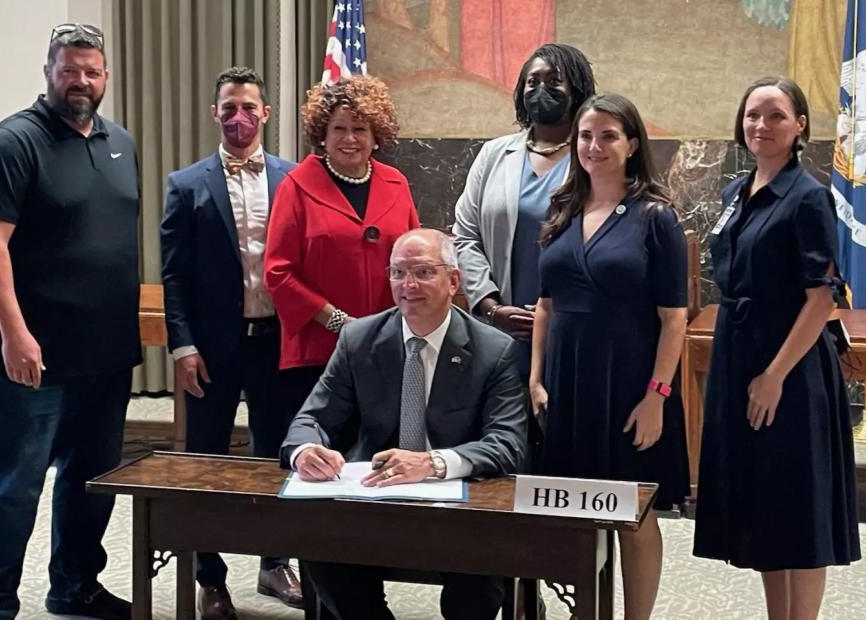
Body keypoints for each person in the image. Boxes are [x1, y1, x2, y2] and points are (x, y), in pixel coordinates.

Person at [0, 24, 137, 620]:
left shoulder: (120, 142)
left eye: (92, 71)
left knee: (91, 484)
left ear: (106, 76)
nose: (81, 82)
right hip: (33, 358)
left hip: (106, 356)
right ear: (49, 72)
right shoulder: (11, 144)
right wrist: (14, 334)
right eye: (70, 70)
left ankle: (75, 586)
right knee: (15, 486)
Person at [279, 228, 527, 620]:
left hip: (459, 508)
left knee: (478, 583)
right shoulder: (359, 338)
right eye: (397, 273)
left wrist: (433, 463)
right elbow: (312, 418)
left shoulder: (495, 351)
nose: (408, 285)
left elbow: (507, 442)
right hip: (373, 501)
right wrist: (307, 450)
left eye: (424, 272)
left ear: (454, 281)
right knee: (322, 551)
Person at [693, 77, 860, 620]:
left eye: (776, 116)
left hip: (789, 366)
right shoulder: (735, 191)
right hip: (738, 353)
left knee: (799, 507)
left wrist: (774, 376)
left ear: (800, 126)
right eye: (752, 115)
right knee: (764, 506)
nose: (761, 126)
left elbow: (821, 299)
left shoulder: (808, 196)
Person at [529, 93, 690, 620]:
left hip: (629, 386)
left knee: (633, 512)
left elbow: (674, 319)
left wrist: (657, 396)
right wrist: (535, 378)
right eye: (585, 136)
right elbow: (546, 307)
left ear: (632, 144)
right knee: (577, 511)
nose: (594, 147)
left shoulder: (654, 216)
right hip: (567, 384)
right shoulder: (561, 207)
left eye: (608, 136)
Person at [160, 67, 301, 618]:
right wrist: (182, 346)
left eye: (248, 107)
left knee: (279, 457)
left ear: (265, 113)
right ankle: (210, 578)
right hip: (212, 350)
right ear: (214, 114)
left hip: (275, 344)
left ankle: (274, 563)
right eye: (228, 108)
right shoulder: (186, 184)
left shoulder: (294, 180)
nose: (238, 118)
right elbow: (173, 276)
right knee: (207, 463)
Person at [263, 75, 420, 418]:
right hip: (318, 350)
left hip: (386, 346)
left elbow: (414, 260)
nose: (350, 138)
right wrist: (337, 322)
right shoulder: (296, 186)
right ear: (323, 134)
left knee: (379, 451)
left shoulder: (397, 183)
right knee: (321, 455)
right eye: (339, 128)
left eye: (360, 129)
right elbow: (278, 272)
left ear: (376, 136)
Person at [453, 43, 595, 378]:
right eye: (533, 82)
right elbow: (465, 235)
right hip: (502, 331)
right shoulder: (493, 154)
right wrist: (490, 307)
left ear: (576, 90)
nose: (541, 89)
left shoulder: (592, 156)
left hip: (572, 329)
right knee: (505, 426)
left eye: (554, 81)